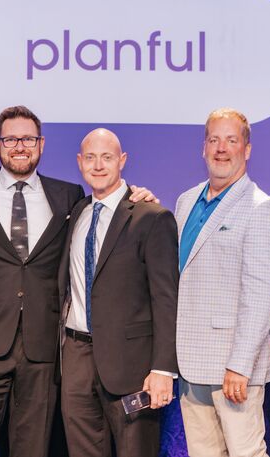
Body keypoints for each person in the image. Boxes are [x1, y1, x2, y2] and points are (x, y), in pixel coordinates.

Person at [0, 107, 156, 457]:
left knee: (33, 448)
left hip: (43, 344)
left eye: (28, 139)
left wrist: (138, 196)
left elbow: (108, 209)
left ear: (41, 144)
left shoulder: (69, 196)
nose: (19, 146)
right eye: (10, 139)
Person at [58, 128, 179, 457]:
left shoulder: (151, 217)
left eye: (107, 157)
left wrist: (163, 369)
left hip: (133, 368)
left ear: (122, 161)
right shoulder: (76, 214)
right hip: (77, 360)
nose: (99, 165)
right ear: (80, 163)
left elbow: (166, 299)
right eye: (91, 158)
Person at [175, 108, 270, 457]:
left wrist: (240, 364)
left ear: (247, 149)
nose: (222, 149)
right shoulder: (185, 201)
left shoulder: (260, 207)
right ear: (203, 148)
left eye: (231, 141)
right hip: (190, 364)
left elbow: (263, 293)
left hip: (233, 368)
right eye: (214, 140)